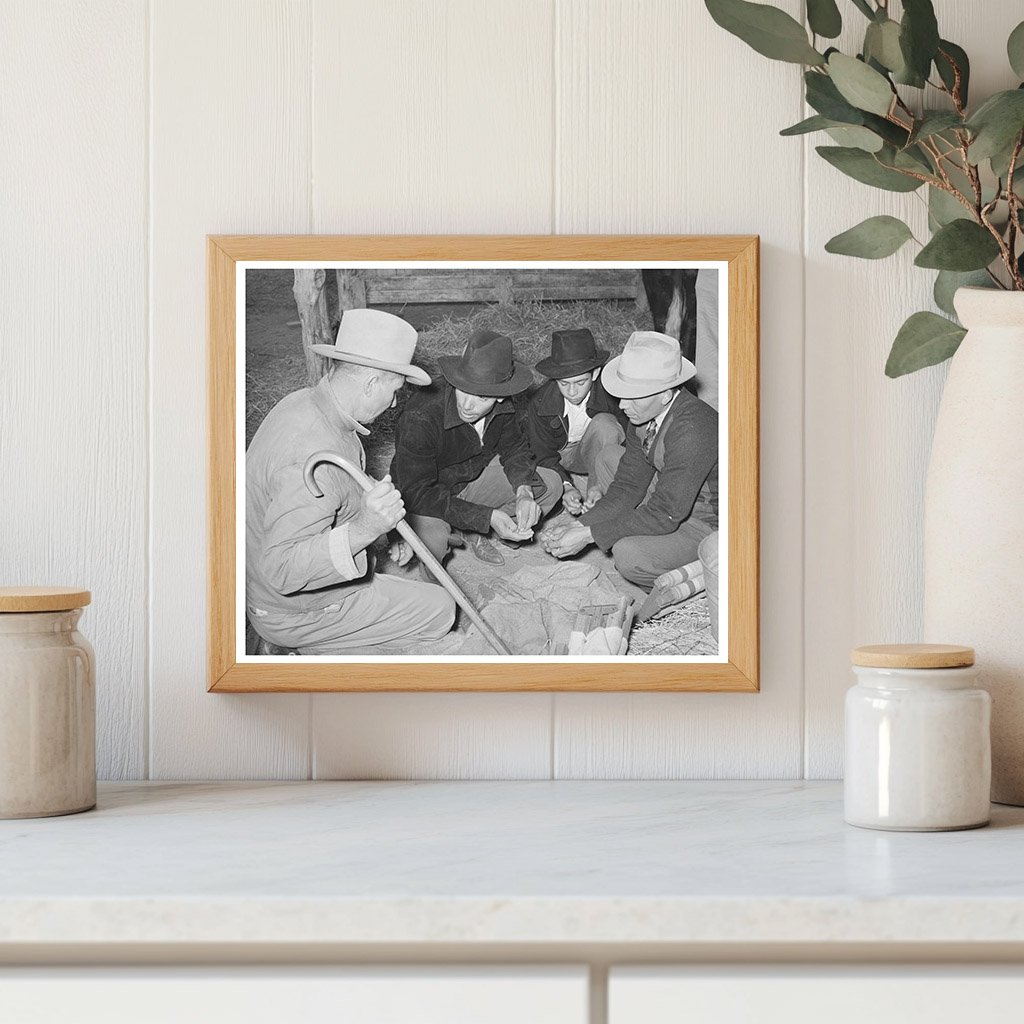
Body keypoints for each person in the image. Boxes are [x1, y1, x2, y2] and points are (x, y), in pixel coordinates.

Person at [246, 307, 456, 654]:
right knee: (441, 611)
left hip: (269, 587)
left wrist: (383, 531)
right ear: (372, 383)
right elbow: (281, 570)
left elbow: (337, 493)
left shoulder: (306, 403)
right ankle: (305, 647)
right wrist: (365, 529)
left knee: (409, 588)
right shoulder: (312, 453)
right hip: (292, 610)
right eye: (394, 392)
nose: (392, 405)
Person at [541, 331, 717, 592]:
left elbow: (664, 515)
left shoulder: (693, 427)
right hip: (674, 494)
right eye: (623, 394)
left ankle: (709, 577)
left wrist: (589, 535)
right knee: (610, 457)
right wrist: (579, 524)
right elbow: (627, 487)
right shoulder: (645, 415)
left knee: (629, 555)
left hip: (709, 521)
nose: (622, 405)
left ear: (666, 394)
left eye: (634, 396)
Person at [391, 328, 563, 568]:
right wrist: (484, 516)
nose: (469, 406)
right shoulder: (421, 416)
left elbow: (514, 448)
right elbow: (416, 492)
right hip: (429, 496)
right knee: (434, 542)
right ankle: (461, 537)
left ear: (500, 396)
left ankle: (483, 531)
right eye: (464, 390)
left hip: (470, 481)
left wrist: (523, 491)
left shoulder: (503, 404)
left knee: (550, 485)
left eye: (483, 398)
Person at [524, 328, 627, 515]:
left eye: (580, 383)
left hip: (598, 450)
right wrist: (566, 486)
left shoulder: (612, 395)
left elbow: (627, 438)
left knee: (605, 424)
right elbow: (542, 453)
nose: (572, 392)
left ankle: (597, 494)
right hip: (561, 456)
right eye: (564, 383)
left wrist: (599, 485)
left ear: (595, 374)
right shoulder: (539, 403)